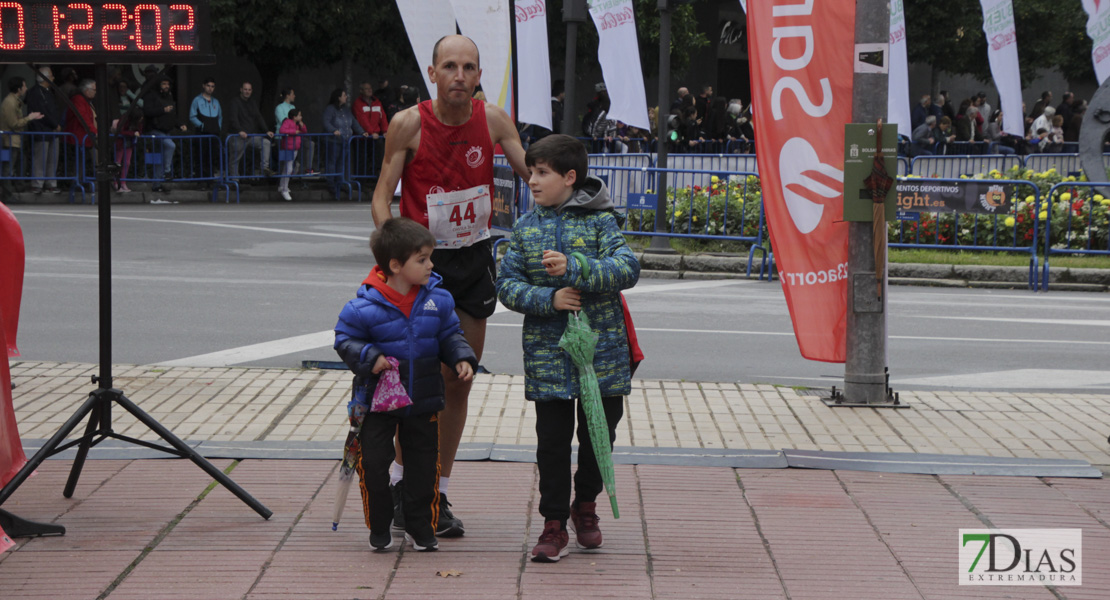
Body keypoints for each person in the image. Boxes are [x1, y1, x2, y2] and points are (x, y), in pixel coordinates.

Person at [370, 34, 529, 539]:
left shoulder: (495, 120)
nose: (460, 75)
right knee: (419, 382)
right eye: (450, 66)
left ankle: (434, 488)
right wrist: (395, 258)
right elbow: (381, 201)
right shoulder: (408, 124)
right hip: (423, 269)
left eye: (469, 67)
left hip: (473, 263)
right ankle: (401, 484)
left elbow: (535, 173)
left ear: (479, 75)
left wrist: (576, 201)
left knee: (459, 378)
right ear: (433, 73)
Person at [495, 134, 640, 562]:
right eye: (531, 173)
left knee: (600, 434)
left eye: (542, 173)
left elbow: (627, 268)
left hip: (602, 356)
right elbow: (506, 285)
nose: (532, 181)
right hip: (548, 355)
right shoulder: (524, 228)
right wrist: (549, 299)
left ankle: (586, 506)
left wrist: (576, 267)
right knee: (552, 441)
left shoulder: (602, 222)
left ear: (570, 177)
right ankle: (554, 522)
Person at [333, 216, 478, 553]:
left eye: (429, 257)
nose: (431, 265)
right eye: (422, 259)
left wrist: (461, 357)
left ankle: (420, 527)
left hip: (423, 399)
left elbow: (450, 335)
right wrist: (370, 357)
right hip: (376, 404)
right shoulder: (361, 307)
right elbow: (345, 341)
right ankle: (380, 525)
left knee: (425, 467)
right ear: (395, 265)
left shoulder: (438, 300)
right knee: (373, 463)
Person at [0, 77, 44, 199]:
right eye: (24, 86)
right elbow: (14, 123)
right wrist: (29, 118)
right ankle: (7, 194)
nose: (26, 88)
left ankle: (15, 190)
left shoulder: (14, 100)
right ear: (19, 89)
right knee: (7, 167)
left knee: (17, 165)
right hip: (9, 141)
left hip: (14, 140)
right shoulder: (10, 102)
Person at [142, 75, 188, 191]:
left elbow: (172, 115)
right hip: (154, 130)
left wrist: (179, 124)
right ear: (159, 85)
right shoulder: (151, 96)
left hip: (166, 131)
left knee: (159, 158)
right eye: (164, 84)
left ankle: (156, 185)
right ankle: (167, 171)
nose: (166, 86)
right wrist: (162, 110)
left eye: (168, 84)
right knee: (171, 145)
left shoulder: (169, 96)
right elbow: (147, 111)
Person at [322, 87, 367, 197]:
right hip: (334, 141)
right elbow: (326, 122)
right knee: (332, 162)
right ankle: (331, 183)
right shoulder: (330, 109)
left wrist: (361, 132)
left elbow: (353, 121)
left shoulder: (346, 110)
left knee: (342, 163)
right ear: (338, 97)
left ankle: (340, 182)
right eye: (344, 95)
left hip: (345, 140)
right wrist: (333, 130)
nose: (346, 97)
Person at [227, 81, 275, 180]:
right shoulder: (235, 102)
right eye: (245, 89)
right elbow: (233, 118)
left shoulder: (252, 102)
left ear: (251, 91)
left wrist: (266, 130)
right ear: (241, 90)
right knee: (235, 159)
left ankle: (264, 168)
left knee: (265, 143)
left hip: (250, 135)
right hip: (237, 136)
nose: (247, 92)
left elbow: (258, 116)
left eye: (249, 90)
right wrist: (239, 130)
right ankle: (235, 180)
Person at [26, 67, 63, 195]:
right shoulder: (35, 92)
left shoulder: (48, 92)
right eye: (51, 76)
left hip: (51, 129)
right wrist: (55, 124)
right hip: (41, 129)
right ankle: (37, 184)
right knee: (40, 158)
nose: (53, 78)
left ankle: (51, 183)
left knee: (53, 158)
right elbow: (42, 111)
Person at [273, 88, 315, 176]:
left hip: (295, 137)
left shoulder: (293, 107)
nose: (294, 96)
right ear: (288, 95)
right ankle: (282, 184)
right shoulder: (279, 107)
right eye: (293, 94)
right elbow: (284, 121)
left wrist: (300, 124)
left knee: (309, 144)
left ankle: (307, 168)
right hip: (283, 138)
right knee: (284, 163)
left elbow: (298, 124)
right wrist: (294, 128)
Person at [188, 77, 222, 181]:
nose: (210, 88)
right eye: (208, 86)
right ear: (203, 86)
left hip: (213, 134)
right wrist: (202, 126)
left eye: (212, 86)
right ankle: (201, 181)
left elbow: (220, 117)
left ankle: (210, 179)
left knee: (211, 158)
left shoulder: (216, 101)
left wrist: (218, 127)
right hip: (201, 134)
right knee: (200, 157)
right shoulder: (197, 100)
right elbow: (192, 116)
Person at [62, 79, 98, 175]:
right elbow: (83, 117)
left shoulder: (82, 100)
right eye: (94, 90)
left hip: (81, 137)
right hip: (78, 137)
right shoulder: (79, 100)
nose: (95, 92)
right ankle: (79, 181)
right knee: (79, 161)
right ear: (87, 90)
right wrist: (94, 131)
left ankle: (81, 180)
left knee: (81, 161)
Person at [277, 108, 307, 201]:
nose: (301, 117)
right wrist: (294, 132)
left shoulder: (297, 124)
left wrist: (302, 126)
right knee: (289, 168)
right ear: (294, 117)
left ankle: (282, 186)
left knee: (287, 168)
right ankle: (285, 189)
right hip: (287, 148)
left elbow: (304, 132)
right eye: (299, 115)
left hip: (294, 148)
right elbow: (282, 130)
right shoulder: (287, 122)